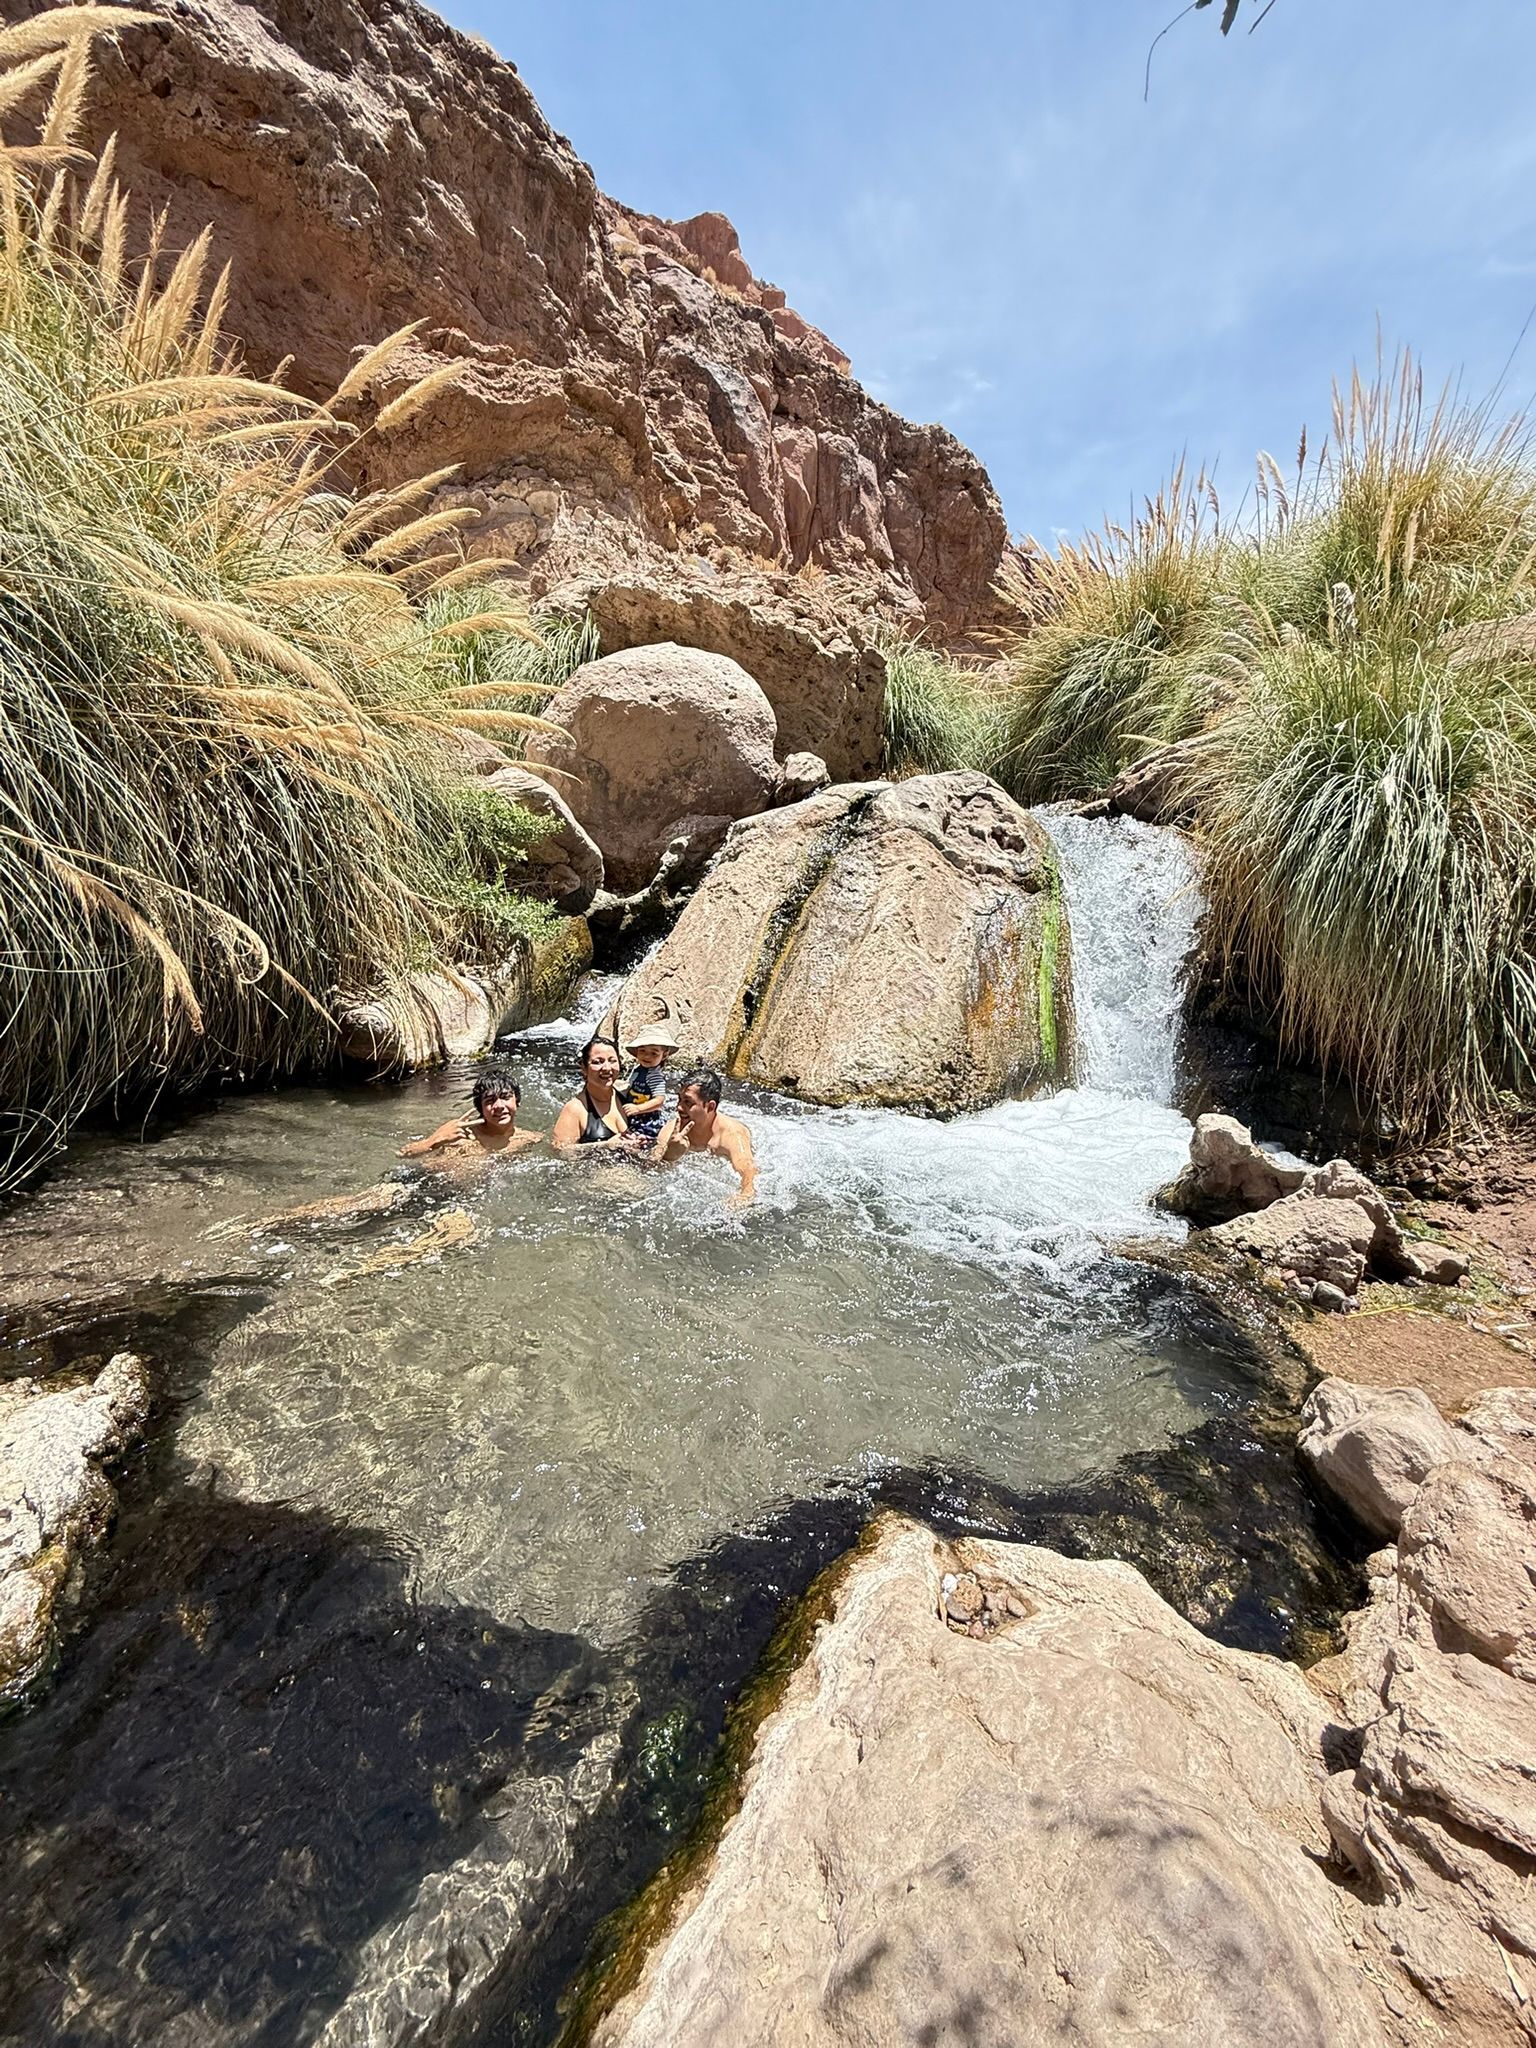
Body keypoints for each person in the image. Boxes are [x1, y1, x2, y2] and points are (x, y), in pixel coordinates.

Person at [654, 1066, 758, 1206]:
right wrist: (669, 1155)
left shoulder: (732, 1135)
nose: (678, 1107)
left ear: (710, 1107)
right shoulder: (671, 1130)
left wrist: (743, 1197)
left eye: (688, 1102)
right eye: (679, 1100)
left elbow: (748, 1171)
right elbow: (650, 1170)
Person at [398, 1068, 543, 1163]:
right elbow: (402, 1154)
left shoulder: (529, 1139)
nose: (499, 1106)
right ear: (480, 1108)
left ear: (517, 1102)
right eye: (490, 1100)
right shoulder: (460, 1135)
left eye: (505, 1097)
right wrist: (435, 1140)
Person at [551, 1034, 645, 1157]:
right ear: (584, 1068)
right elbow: (559, 1152)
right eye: (597, 1062)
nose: (607, 1068)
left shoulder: (629, 1095)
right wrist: (604, 1146)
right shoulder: (575, 1109)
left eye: (612, 1061)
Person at [616, 1016, 679, 1150]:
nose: (646, 1056)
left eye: (654, 1053)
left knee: (639, 1143)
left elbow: (660, 1100)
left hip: (647, 1119)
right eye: (642, 1051)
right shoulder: (638, 1069)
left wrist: (638, 1108)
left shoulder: (654, 1075)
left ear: (665, 1055)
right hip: (634, 1113)